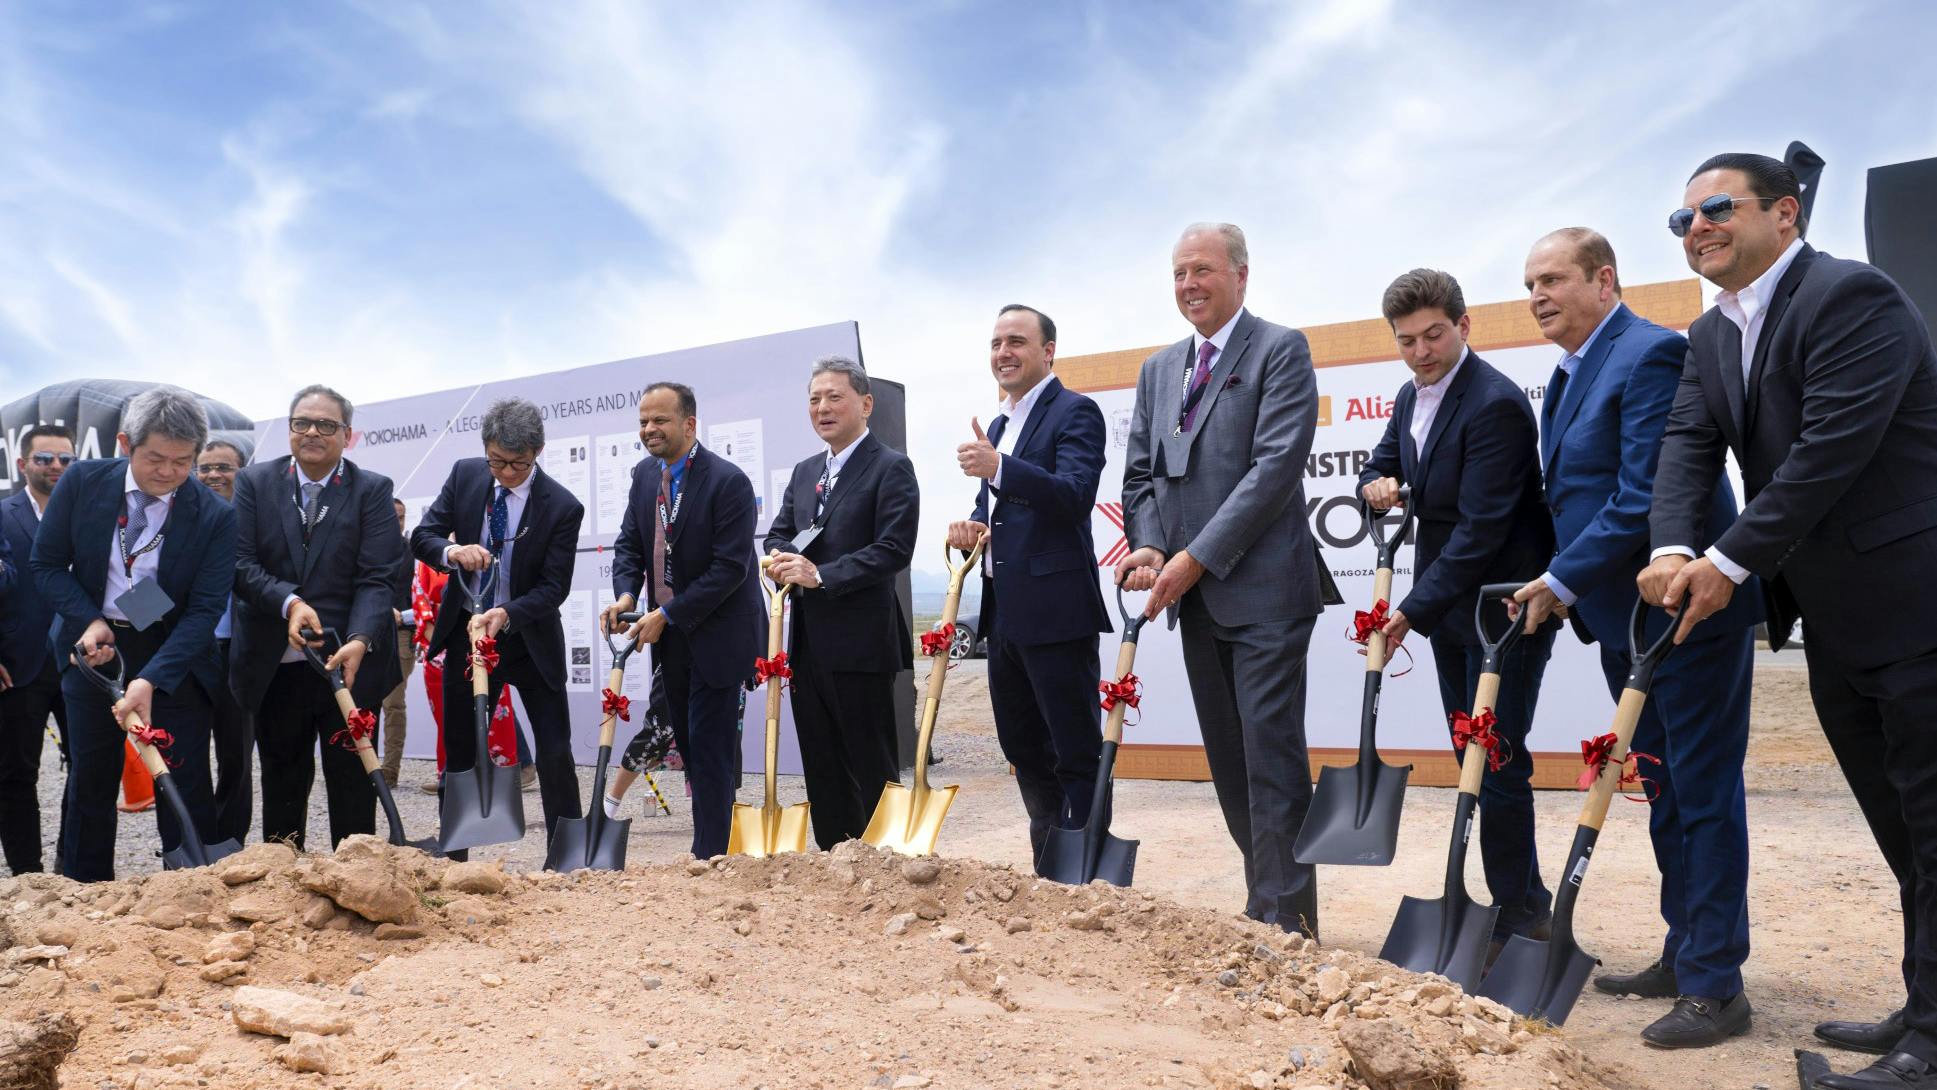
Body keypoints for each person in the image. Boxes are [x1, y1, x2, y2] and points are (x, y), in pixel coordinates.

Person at [1639, 153, 1937, 1089]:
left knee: (1932, 827)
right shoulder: (1708, 338)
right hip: (1835, 623)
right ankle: (1924, 1004)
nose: (1698, 228)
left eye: (1717, 208)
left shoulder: (1852, 297)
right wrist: (1673, 548)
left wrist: (1725, 561)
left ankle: (1930, 1048)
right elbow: (1686, 448)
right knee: (1899, 829)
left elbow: (1828, 452)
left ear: (1784, 210)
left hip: (1916, 605)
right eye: (1682, 219)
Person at [1511, 228, 1760, 1047]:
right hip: (1627, 620)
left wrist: (1558, 579)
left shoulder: (1648, 353)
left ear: (1603, 278)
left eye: (1553, 279)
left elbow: (1643, 496)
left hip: (1685, 611)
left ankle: (1716, 985)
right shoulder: (1570, 371)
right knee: (1661, 789)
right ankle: (1684, 948)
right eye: (1529, 284)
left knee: (1701, 789)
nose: (1539, 296)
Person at [1116, 223, 1327, 936]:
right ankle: (1262, 897)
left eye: (1201, 270)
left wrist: (1194, 556)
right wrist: (1148, 546)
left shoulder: (1279, 349)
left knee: (1271, 757)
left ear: (1240, 274)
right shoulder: (1157, 369)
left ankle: (1287, 916)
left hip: (1265, 592)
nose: (1188, 285)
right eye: (1178, 273)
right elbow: (1140, 473)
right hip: (1192, 597)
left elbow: (1272, 471)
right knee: (1231, 762)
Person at [1356, 269, 1558, 961]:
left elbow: (1479, 530)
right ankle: (1522, 898)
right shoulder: (1410, 397)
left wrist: (1409, 612)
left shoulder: (1494, 404)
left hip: (1503, 608)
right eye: (1406, 340)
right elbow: (1381, 467)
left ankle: (1518, 913)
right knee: (1470, 753)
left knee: (1494, 756)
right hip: (1450, 609)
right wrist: (1373, 485)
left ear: (1463, 326)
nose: (1420, 351)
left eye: (1433, 335)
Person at [29, 387, 236, 881]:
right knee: (91, 780)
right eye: (155, 459)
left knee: (182, 779)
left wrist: (154, 679)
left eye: (183, 462)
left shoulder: (214, 515)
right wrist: (89, 620)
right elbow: (48, 564)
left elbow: (204, 609)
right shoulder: (82, 482)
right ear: (125, 443)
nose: (168, 473)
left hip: (174, 656)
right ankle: (85, 894)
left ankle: (190, 892)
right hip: (94, 651)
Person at [946, 304, 1110, 861]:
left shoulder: (1076, 412)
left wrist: (1000, 468)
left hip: (1057, 610)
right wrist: (972, 525)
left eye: (1016, 341)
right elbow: (995, 509)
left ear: (1048, 351)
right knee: (1022, 745)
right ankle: (1049, 859)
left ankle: (1085, 867)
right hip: (1004, 614)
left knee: (1074, 748)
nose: (1003, 353)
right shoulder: (999, 425)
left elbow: (1073, 494)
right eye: (995, 343)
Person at [230, 384, 402, 851]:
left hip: (349, 663)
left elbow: (377, 577)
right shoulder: (254, 483)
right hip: (275, 664)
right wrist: (289, 603)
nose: (312, 432)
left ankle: (355, 888)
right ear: (288, 429)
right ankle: (281, 888)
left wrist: (362, 637)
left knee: (351, 781)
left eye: (326, 425)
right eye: (301, 422)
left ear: (347, 435)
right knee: (283, 780)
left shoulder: (372, 490)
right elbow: (241, 565)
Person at [763, 356, 919, 849]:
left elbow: (892, 549)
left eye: (834, 397)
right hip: (809, 648)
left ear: (865, 404)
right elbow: (782, 532)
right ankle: (836, 866)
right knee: (823, 768)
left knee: (871, 767)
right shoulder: (807, 470)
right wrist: (777, 558)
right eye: (814, 399)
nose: (822, 408)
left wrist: (820, 574)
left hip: (862, 646)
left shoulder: (891, 467)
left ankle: (888, 868)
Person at [412, 397, 585, 842]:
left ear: (538, 451)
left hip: (529, 639)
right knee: (461, 752)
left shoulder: (562, 507)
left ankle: (567, 857)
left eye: (518, 464)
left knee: (553, 751)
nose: (506, 473)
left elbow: (553, 588)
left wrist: (507, 613)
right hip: (467, 636)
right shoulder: (466, 474)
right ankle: (454, 856)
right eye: (498, 461)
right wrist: (452, 553)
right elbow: (423, 535)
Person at [601, 382, 762, 859]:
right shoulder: (644, 477)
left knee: (711, 753)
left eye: (660, 420)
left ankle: (711, 857)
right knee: (688, 748)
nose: (649, 429)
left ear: (689, 425)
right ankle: (712, 849)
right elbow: (630, 542)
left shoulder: (728, 481)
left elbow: (730, 568)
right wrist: (627, 593)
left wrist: (667, 612)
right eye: (643, 421)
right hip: (670, 638)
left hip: (718, 635)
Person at [0, 424, 75, 875]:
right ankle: (27, 875)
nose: (56, 467)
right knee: (14, 776)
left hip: (81, 664)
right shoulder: (2, 514)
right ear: (23, 463)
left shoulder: (92, 515)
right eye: (45, 458)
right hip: (16, 665)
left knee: (87, 771)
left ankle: (73, 867)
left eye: (65, 460)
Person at [195, 438, 256, 845]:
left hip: (242, 653)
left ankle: (230, 843)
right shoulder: (177, 521)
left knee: (236, 755)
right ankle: (194, 839)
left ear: (243, 471)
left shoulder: (254, 523)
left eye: (224, 467)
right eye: (205, 468)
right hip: (191, 654)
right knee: (189, 753)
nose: (214, 475)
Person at [379, 497, 417, 789]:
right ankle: (363, 768)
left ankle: (389, 771)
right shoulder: (365, 550)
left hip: (402, 636)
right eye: (392, 516)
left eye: (401, 517)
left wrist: (402, 616)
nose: (397, 522)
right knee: (361, 705)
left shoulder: (416, 552)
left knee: (393, 705)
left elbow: (429, 601)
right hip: (366, 636)